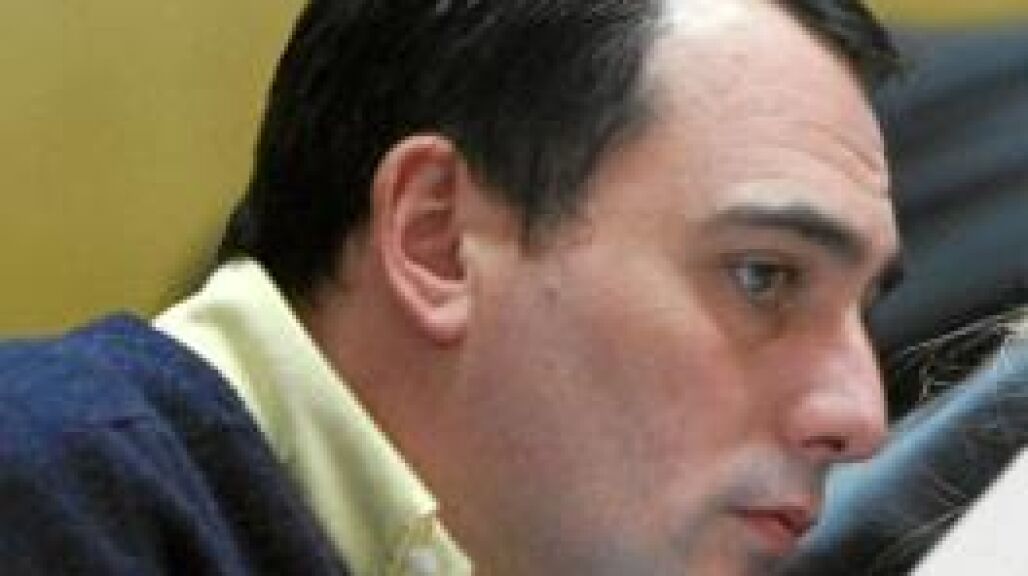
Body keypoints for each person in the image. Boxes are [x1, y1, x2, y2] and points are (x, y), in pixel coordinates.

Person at [0, 1, 901, 574]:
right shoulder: (37, 496)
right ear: (436, 240)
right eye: (763, 277)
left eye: (865, 310)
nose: (861, 417)